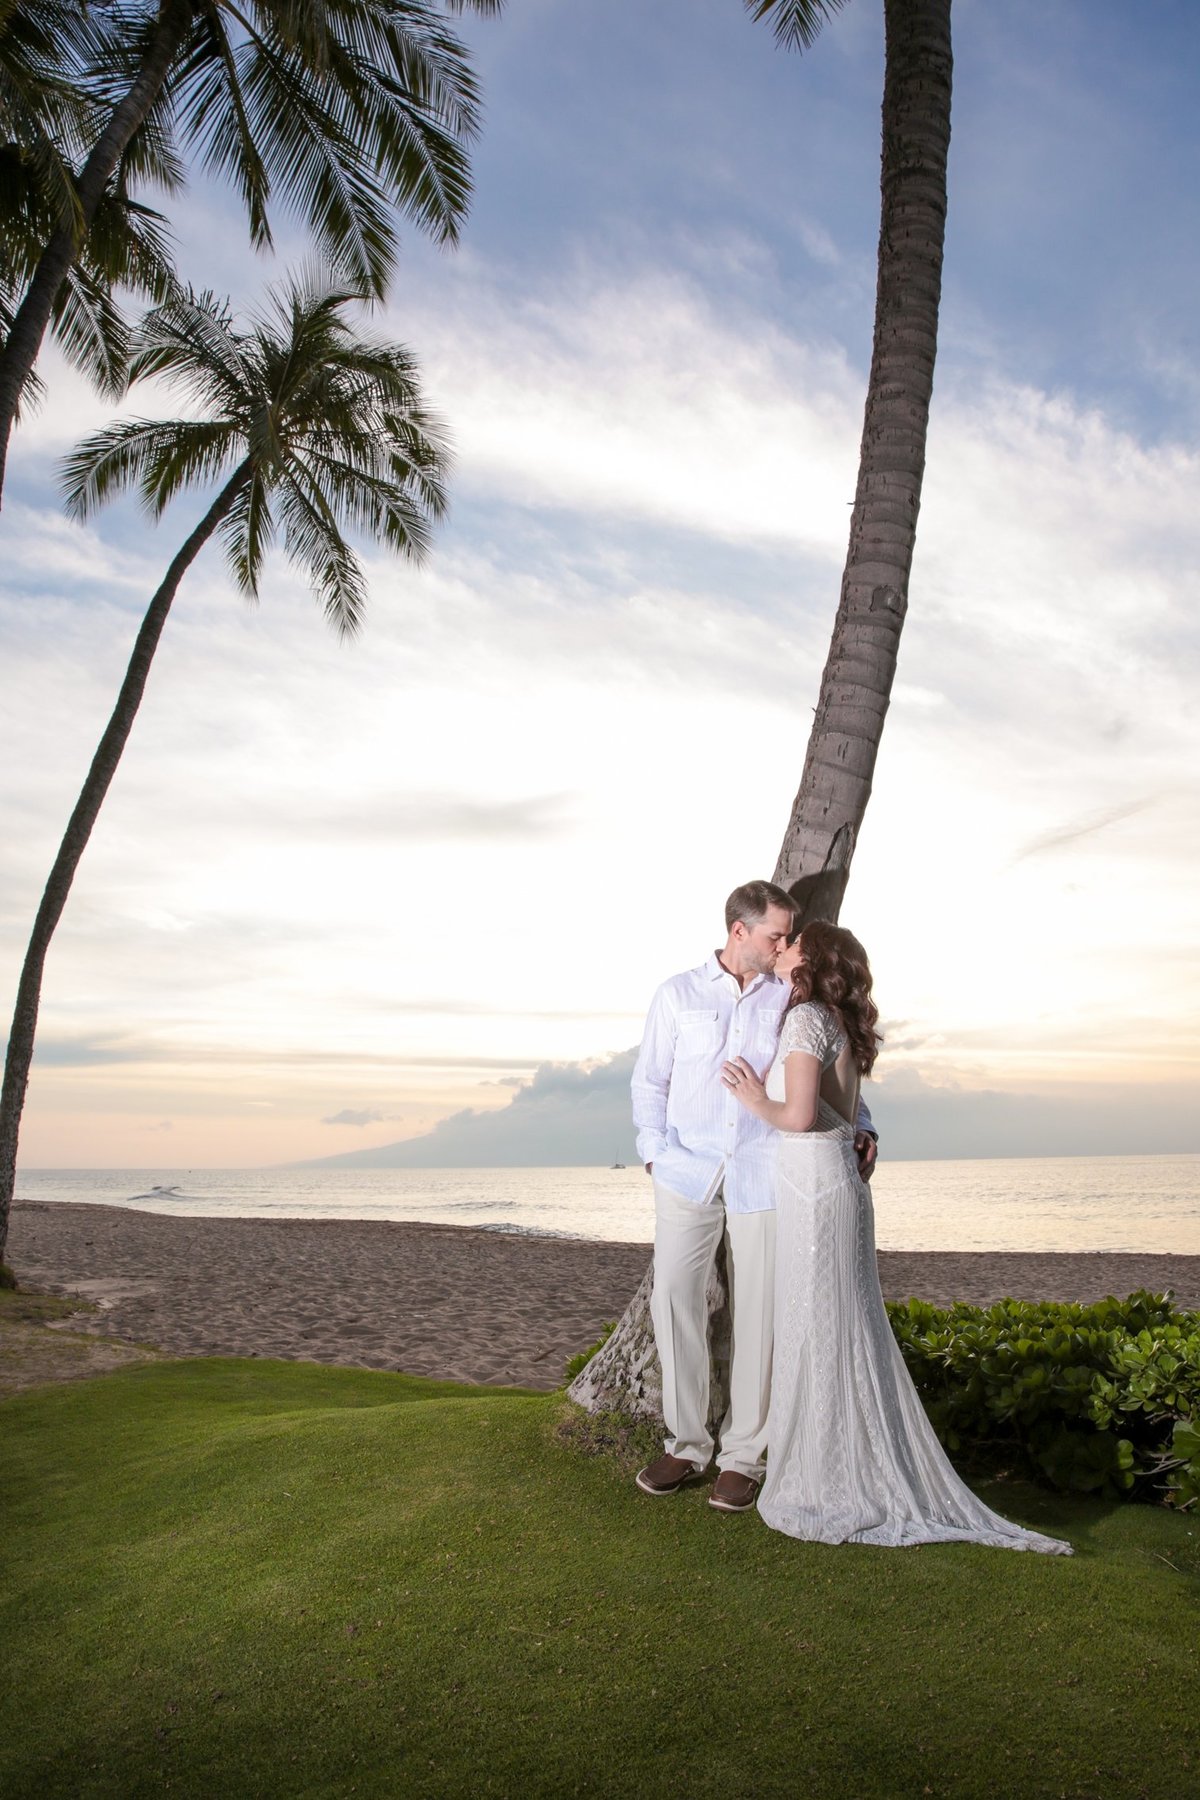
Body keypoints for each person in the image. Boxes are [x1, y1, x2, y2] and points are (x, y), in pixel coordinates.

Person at [722, 920, 1072, 1554]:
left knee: (820, 1325)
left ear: (811, 958)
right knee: (842, 1323)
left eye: (792, 940)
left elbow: (799, 1117)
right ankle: (848, 1464)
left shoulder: (804, 1021)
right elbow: (841, 1113)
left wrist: (752, 1098)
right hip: (837, 1187)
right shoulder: (838, 1022)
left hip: (814, 1187)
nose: (783, 945)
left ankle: (829, 1477)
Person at [631, 881, 878, 1513]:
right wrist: (656, 1153)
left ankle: (743, 1455)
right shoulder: (677, 994)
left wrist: (866, 1125)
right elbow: (650, 1081)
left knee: (762, 1316)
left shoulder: (792, 994)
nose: (786, 944)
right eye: (777, 934)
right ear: (739, 931)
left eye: (790, 935)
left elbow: (823, 1066)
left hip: (766, 1174)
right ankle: (686, 1444)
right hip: (686, 1173)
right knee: (674, 1300)